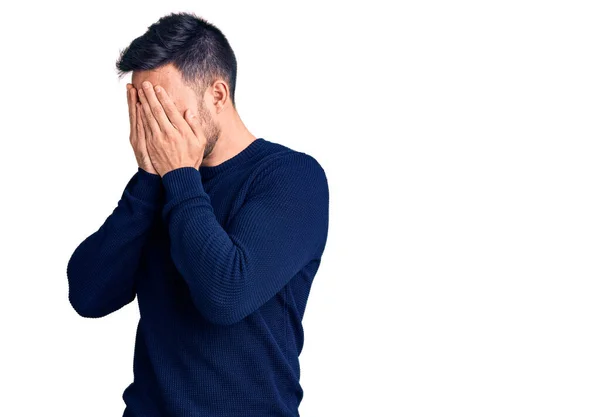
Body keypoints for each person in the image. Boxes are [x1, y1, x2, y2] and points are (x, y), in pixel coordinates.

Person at [66, 11, 329, 417]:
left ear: (217, 96)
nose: (157, 127)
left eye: (166, 108)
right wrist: (150, 181)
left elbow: (225, 294)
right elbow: (87, 294)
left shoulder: (291, 178)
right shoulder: (160, 186)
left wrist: (179, 176)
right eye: (144, 109)